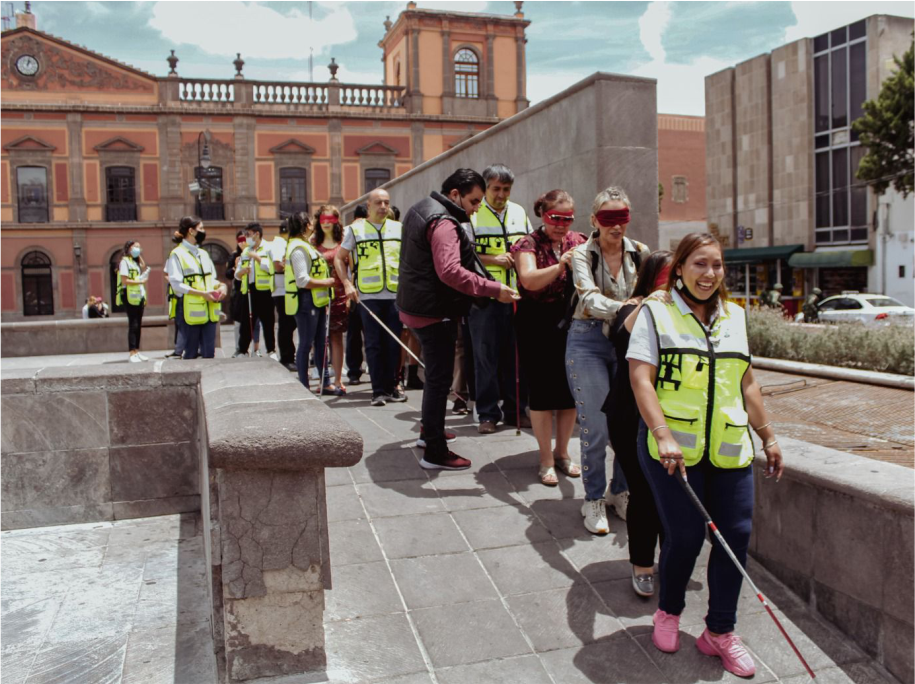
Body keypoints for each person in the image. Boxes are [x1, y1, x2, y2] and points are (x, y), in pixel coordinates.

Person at [628, 233, 784, 678]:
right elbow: (641, 379)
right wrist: (661, 435)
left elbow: (746, 382)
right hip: (672, 451)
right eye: (699, 264)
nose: (710, 274)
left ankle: (720, 631)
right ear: (679, 267)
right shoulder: (656, 313)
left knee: (735, 536)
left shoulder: (735, 316)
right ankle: (669, 613)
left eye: (717, 265)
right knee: (685, 536)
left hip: (730, 449)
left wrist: (769, 437)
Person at [397, 168, 518, 469]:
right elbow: (450, 272)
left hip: (415, 306)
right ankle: (434, 451)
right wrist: (494, 289)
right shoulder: (444, 222)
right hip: (433, 311)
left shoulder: (421, 208)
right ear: (455, 195)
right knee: (438, 380)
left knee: (435, 380)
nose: (478, 208)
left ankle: (430, 432)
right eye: (474, 201)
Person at [567, 186, 650, 535]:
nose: (617, 226)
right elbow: (588, 299)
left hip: (628, 343)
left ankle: (620, 491)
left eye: (622, 218)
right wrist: (631, 308)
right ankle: (594, 498)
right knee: (596, 426)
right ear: (594, 221)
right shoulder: (581, 254)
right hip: (587, 340)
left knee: (630, 427)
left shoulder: (641, 253)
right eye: (608, 219)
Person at [602, 250, 672, 598]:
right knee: (644, 490)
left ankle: (672, 559)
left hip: (673, 415)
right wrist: (651, 301)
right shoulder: (634, 307)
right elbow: (620, 331)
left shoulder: (686, 314)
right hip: (629, 415)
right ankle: (643, 563)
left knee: (672, 494)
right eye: (668, 276)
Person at [511, 189, 586, 485]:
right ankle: (545, 458)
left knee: (569, 392)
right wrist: (561, 265)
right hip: (535, 323)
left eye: (567, 218)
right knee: (542, 393)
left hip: (570, 322)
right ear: (543, 214)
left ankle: (563, 452)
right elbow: (528, 280)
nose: (562, 224)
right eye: (556, 217)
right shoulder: (528, 243)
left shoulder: (578, 240)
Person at [469, 163, 533, 433]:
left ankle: (516, 410)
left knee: (515, 357)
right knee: (486, 357)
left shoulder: (518, 211)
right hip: (485, 297)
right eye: (496, 189)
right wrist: (493, 259)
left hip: (517, 296)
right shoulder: (472, 213)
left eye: (506, 189)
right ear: (485, 189)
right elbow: (464, 254)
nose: (502, 194)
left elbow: (529, 245)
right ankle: (487, 414)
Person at [335, 189, 406, 406]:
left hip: (394, 294)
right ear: (369, 206)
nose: (383, 206)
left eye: (386, 202)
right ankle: (377, 391)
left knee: (394, 342)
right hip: (368, 296)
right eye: (378, 203)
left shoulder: (398, 228)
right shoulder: (356, 230)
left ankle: (393, 385)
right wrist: (347, 283)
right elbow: (339, 258)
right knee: (374, 344)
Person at [284, 212, 336, 390]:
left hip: (316, 301)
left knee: (321, 343)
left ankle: (325, 383)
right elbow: (302, 280)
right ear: (306, 225)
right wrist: (327, 282)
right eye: (312, 222)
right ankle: (304, 385)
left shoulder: (306, 245)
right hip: (306, 302)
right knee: (306, 343)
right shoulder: (298, 248)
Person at [165, 216, 226, 359]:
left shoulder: (203, 254)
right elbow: (176, 285)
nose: (204, 232)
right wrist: (202, 293)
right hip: (188, 310)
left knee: (209, 353)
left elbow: (212, 279)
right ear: (191, 231)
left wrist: (222, 286)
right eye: (201, 229)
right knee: (191, 353)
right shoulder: (177, 254)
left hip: (210, 310)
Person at [314, 204, 348, 395]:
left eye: (330, 219)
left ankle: (337, 379)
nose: (326, 223)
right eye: (322, 219)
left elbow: (350, 268)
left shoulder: (343, 242)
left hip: (339, 296)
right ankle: (323, 378)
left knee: (336, 338)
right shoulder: (313, 243)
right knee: (319, 340)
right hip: (319, 296)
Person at [235, 222, 277, 360]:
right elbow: (237, 274)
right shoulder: (246, 251)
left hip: (265, 291)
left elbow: (272, 268)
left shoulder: (268, 248)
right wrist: (241, 271)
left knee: (268, 322)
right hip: (249, 291)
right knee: (246, 322)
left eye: (248, 234)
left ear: (257, 234)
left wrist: (257, 258)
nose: (246, 238)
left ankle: (271, 350)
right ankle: (242, 350)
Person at [344, 203, 368, 385]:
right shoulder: (370, 230)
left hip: (352, 286)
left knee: (353, 332)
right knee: (371, 333)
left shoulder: (347, 231)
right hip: (369, 288)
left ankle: (353, 371)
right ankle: (372, 369)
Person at [117, 240, 151, 363]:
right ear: (129, 248)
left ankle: (137, 351)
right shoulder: (124, 262)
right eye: (135, 247)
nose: (138, 249)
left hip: (138, 295)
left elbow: (143, 266)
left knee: (139, 324)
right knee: (133, 324)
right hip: (129, 295)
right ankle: (132, 352)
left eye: (139, 247)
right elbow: (125, 280)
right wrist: (140, 282)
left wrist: (138, 254)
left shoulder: (134, 262)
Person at [272, 219, 297, 371]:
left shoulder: (285, 242)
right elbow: (277, 265)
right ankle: (287, 358)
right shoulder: (279, 243)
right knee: (286, 325)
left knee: (290, 324)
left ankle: (289, 356)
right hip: (282, 290)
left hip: (288, 289)